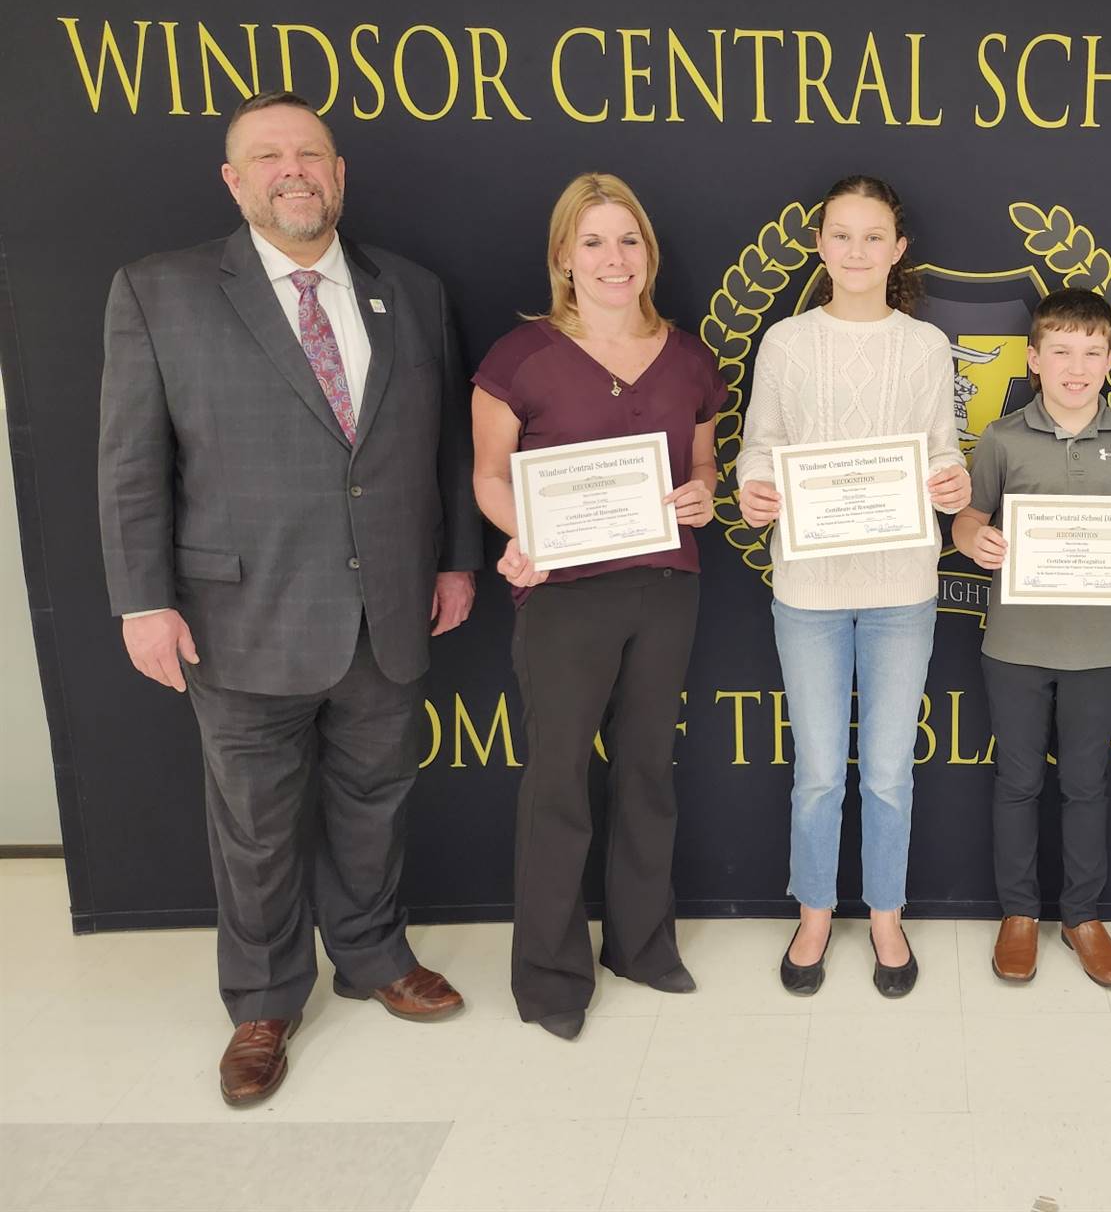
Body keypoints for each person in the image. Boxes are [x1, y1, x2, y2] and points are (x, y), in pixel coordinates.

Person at [97, 91, 481, 1106]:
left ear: (340, 173)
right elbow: (131, 465)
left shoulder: (414, 290)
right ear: (235, 181)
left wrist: (454, 560)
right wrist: (142, 600)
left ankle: (371, 955)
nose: (293, 169)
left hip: (388, 606)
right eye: (268, 156)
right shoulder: (160, 291)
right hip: (239, 616)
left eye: (310, 153)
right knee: (257, 825)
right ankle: (264, 1000)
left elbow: (439, 446)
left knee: (376, 799)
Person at [470, 173, 724, 1040]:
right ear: (563, 258)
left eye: (628, 241)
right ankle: (548, 978)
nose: (613, 259)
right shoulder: (520, 357)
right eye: (592, 242)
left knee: (648, 773)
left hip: (664, 588)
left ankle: (643, 946)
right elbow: (488, 477)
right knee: (558, 782)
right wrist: (524, 533)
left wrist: (701, 497)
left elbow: (702, 467)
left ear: (648, 254)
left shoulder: (691, 357)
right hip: (564, 594)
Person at [736, 174, 969, 998]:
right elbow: (760, 445)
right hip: (808, 588)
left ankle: (885, 912)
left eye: (875, 236)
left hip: (903, 585)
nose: (858, 250)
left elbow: (943, 447)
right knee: (822, 770)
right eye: (843, 234)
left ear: (898, 249)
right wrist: (752, 487)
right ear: (820, 243)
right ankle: (814, 909)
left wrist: (952, 483)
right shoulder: (787, 342)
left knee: (888, 771)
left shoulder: (925, 345)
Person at [952, 289, 1111, 988]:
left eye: (1091, 353)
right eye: (1060, 352)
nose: (1075, 367)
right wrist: (975, 540)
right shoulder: (1000, 438)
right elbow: (967, 517)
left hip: (1102, 647)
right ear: (1033, 360)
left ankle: (1082, 915)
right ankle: (1019, 914)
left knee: (1086, 786)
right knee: (1018, 782)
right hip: (1015, 645)